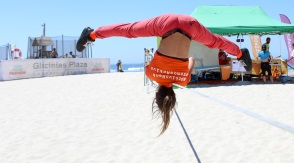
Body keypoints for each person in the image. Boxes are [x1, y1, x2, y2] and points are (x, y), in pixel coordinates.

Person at [75, 13, 251, 135]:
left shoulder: (183, 81)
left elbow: (191, 60)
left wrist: (177, 69)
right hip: (166, 25)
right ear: (157, 93)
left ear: (173, 94)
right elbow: (152, 64)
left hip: (189, 25)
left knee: (214, 41)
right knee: (128, 30)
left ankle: (241, 53)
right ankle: (91, 35)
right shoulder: (151, 74)